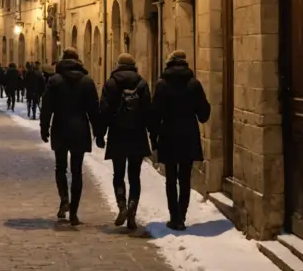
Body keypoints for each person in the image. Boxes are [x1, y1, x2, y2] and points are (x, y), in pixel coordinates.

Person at [40, 47, 102, 226]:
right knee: (77, 171)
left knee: (60, 167)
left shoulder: (55, 80)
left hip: (60, 127)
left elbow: (47, 107)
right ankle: (74, 212)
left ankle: (64, 199)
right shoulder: (87, 81)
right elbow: (93, 110)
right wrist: (98, 132)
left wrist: (44, 127)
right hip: (80, 129)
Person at [152, 50, 211, 230]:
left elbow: (155, 114)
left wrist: (153, 137)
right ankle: (181, 218)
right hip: (188, 135)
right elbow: (204, 115)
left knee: (170, 178)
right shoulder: (194, 84)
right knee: (185, 178)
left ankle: (174, 216)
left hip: (168, 134)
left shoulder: (162, 85)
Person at [99, 53, 157, 230]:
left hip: (117, 135)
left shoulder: (110, 83)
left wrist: (100, 134)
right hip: (137, 135)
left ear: (118, 65)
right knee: (134, 176)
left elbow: (104, 111)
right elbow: (149, 111)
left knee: (118, 174)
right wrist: (153, 134)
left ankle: (122, 205)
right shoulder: (141, 84)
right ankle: (132, 208)